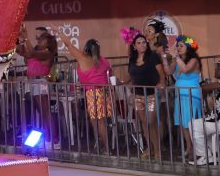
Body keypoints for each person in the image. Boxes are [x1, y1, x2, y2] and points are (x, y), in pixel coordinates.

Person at [59, 38, 114, 152]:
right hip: (104, 92)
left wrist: (58, 31)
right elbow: (111, 77)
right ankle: (102, 144)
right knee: (98, 121)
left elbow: (69, 44)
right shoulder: (104, 61)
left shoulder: (85, 59)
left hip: (94, 93)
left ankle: (106, 148)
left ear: (85, 48)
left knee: (99, 122)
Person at [123, 32, 166, 160]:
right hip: (138, 95)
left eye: (144, 42)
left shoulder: (153, 56)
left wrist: (161, 83)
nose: (142, 44)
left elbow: (161, 72)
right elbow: (131, 74)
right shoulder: (132, 58)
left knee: (151, 122)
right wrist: (122, 82)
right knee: (144, 123)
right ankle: (150, 148)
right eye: (139, 43)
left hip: (151, 94)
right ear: (134, 46)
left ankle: (157, 150)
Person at [163, 35, 203, 162]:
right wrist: (164, 59)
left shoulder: (194, 60)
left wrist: (175, 56)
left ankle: (197, 149)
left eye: (181, 46)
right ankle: (189, 147)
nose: (178, 48)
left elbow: (185, 70)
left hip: (191, 95)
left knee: (191, 123)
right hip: (180, 95)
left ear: (189, 48)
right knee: (182, 124)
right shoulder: (178, 59)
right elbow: (169, 72)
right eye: (177, 45)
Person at [17, 25, 58, 146]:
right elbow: (23, 52)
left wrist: (26, 39)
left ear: (48, 42)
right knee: (42, 112)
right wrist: (19, 40)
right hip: (34, 83)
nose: (39, 40)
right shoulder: (37, 51)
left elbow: (33, 53)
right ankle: (48, 138)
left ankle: (53, 140)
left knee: (46, 112)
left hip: (41, 83)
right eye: (40, 39)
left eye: (43, 39)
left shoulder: (47, 53)